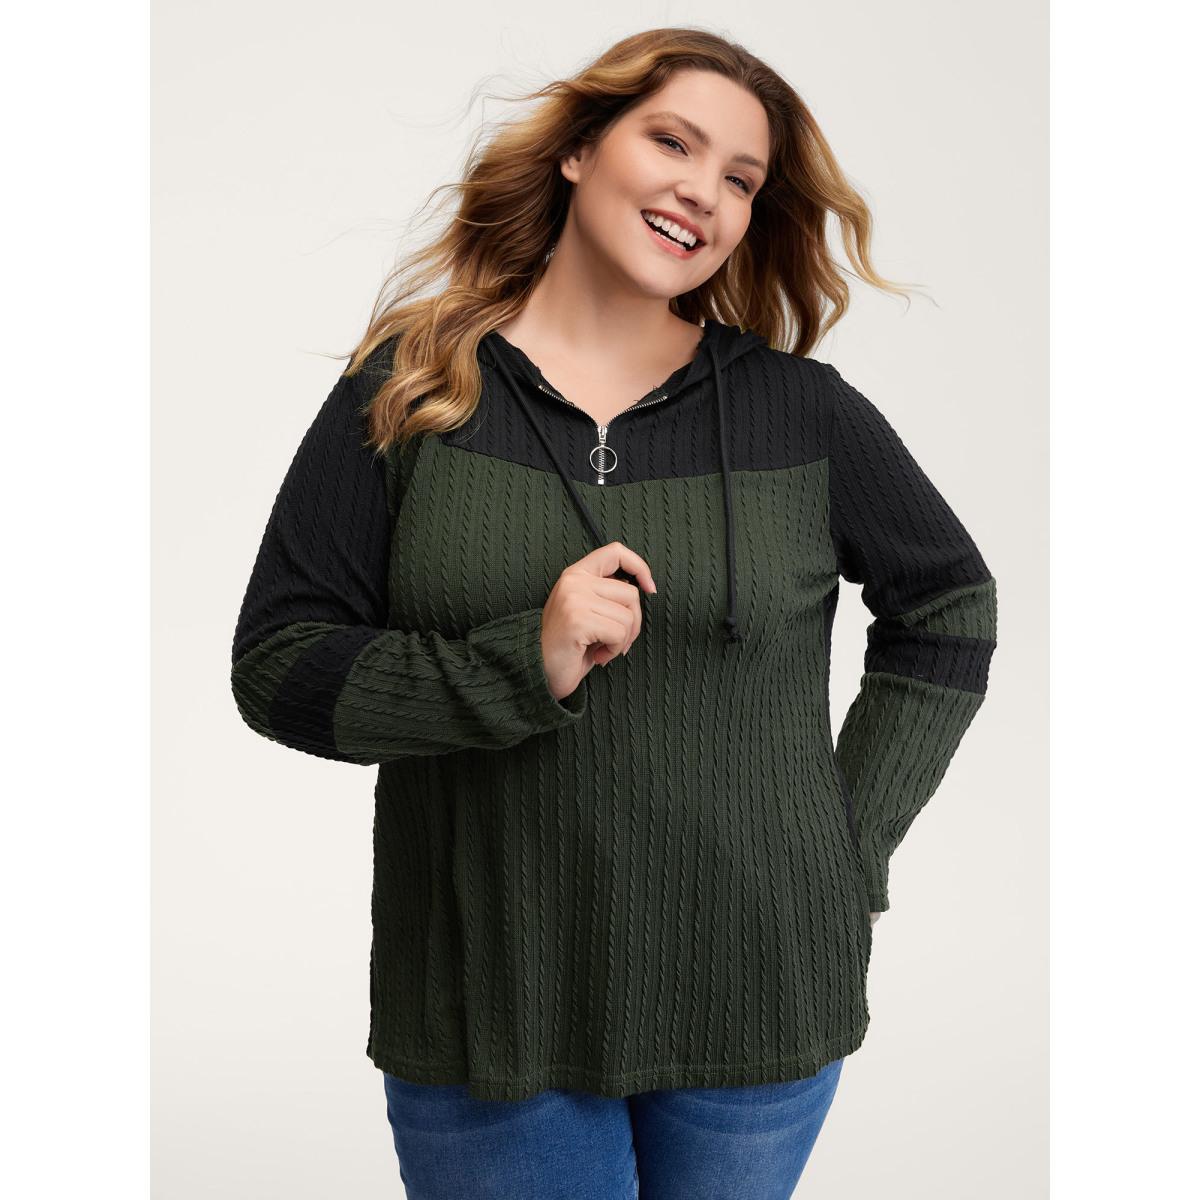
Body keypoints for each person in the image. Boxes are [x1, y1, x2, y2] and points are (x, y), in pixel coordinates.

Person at [230, 27, 998, 1200]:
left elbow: (949, 604)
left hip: (758, 989)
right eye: (673, 143)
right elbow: (278, 665)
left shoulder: (803, 413)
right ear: (581, 149)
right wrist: (518, 666)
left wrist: (850, 847)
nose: (704, 191)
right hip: (489, 1000)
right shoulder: (413, 389)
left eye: (740, 178)